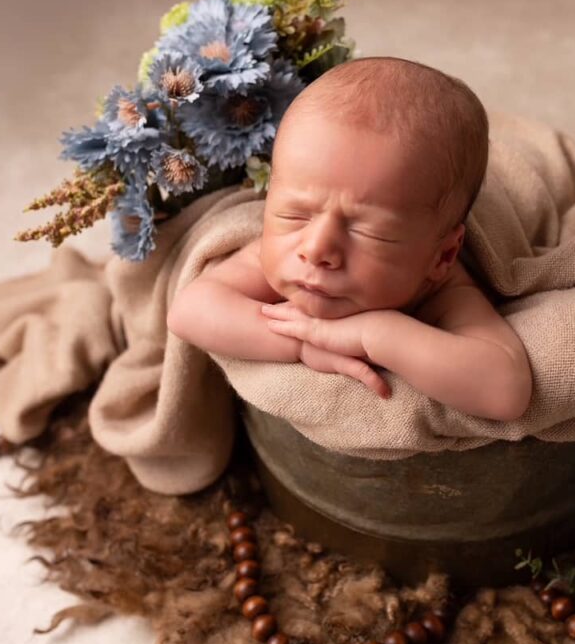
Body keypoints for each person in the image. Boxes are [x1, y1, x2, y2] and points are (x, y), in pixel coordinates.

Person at [167, 56, 533, 422]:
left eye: (366, 230)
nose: (316, 249)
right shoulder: (281, 255)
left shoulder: (438, 290)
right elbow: (190, 310)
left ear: (442, 256)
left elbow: (505, 391)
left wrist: (375, 335)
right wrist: (303, 342)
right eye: (295, 214)